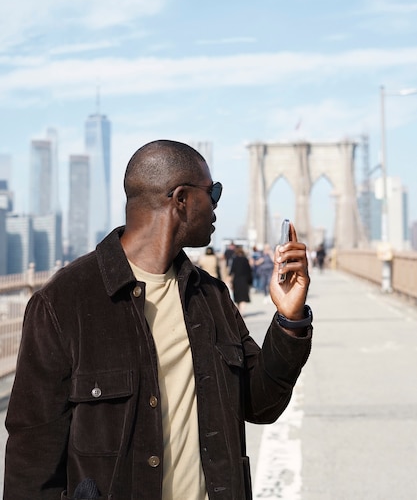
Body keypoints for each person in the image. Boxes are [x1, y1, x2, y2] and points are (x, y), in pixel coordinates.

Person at [4, 140, 312, 500]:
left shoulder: (211, 297)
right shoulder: (63, 303)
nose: (216, 205)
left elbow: (260, 405)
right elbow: (31, 462)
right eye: (212, 192)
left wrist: (289, 320)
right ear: (181, 199)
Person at [230, 246, 252, 316]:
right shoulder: (245, 259)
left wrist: (231, 281)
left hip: (236, 280)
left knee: (237, 297)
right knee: (243, 297)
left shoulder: (234, 259)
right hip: (244, 280)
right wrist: (250, 281)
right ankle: (242, 312)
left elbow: (232, 271)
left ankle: (239, 312)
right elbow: (249, 271)